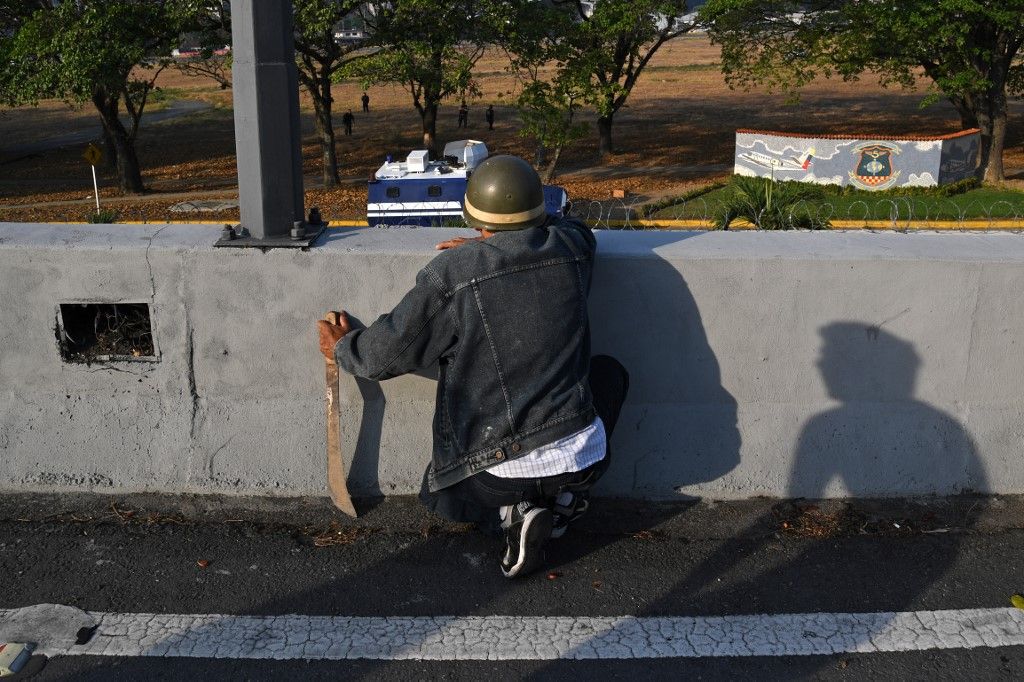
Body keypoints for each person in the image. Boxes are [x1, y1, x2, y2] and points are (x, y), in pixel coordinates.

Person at [317, 155, 629, 578]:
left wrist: (342, 347)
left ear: (477, 222)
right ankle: (562, 505)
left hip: (495, 472)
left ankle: (511, 516)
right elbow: (578, 228)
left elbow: (384, 356)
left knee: (443, 496)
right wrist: (505, 244)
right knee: (610, 372)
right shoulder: (571, 251)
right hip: (585, 460)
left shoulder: (454, 273)